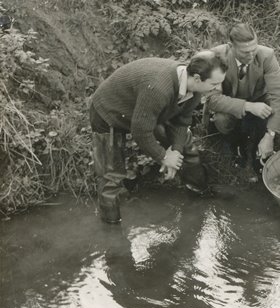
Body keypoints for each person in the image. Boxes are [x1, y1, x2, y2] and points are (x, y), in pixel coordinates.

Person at [90, 53, 227, 224]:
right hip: (109, 112)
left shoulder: (195, 90)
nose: (219, 88)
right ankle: (112, 232)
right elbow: (140, 131)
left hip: (146, 112)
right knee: (111, 176)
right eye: (214, 84)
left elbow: (182, 121)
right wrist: (163, 156)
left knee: (186, 146)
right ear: (197, 78)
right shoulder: (158, 87)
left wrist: (175, 151)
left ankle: (200, 195)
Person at [205, 23, 280, 175]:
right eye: (245, 52)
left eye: (254, 49)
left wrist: (270, 135)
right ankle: (231, 143)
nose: (251, 55)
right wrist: (248, 106)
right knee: (222, 120)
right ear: (231, 46)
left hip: (260, 101)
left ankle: (257, 145)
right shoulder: (216, 56)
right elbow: (212, 99)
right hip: (231, 105)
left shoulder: (267, 55)